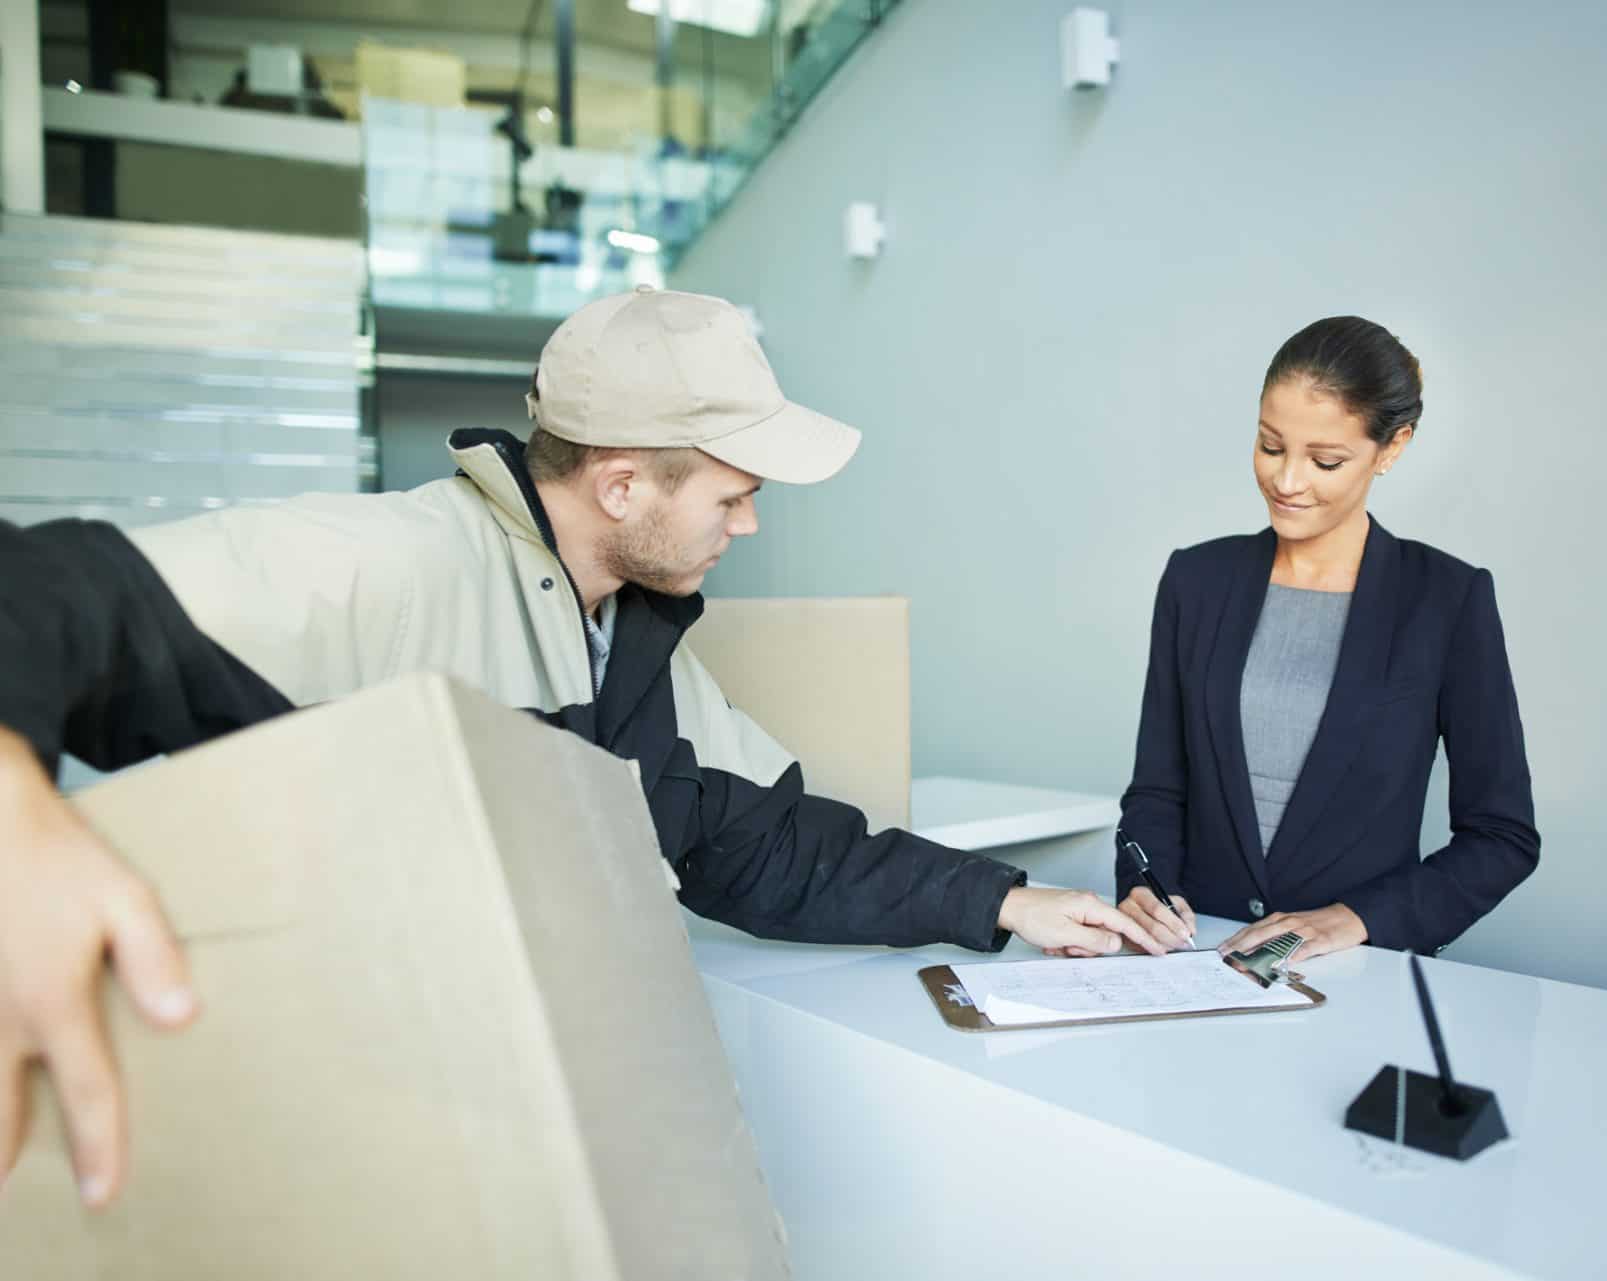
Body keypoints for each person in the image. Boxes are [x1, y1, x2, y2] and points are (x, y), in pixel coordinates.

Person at [0, 288, 1157, 1210]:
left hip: (531, 1130)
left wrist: (1009, 903)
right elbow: (43, 588)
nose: (748, 524)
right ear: (618, 484)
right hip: (340, 1143)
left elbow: (768, 845)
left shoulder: (633, 644)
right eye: (733, 495)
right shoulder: (387, 566)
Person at [1113, 316, 1539, 962]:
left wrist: (1357, 919)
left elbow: (1502, 835)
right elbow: (1156, 792)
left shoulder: (1447, 602)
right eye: (1270, 445)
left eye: (1325, 460)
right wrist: (1144, 888)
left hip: (1356, 980)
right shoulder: (1195, 582)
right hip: (1192, 968)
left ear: (1391, 448)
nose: (1286, 480)